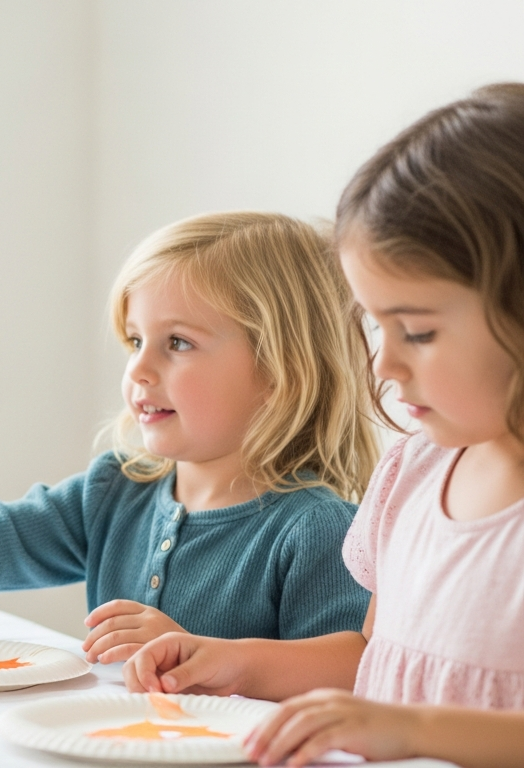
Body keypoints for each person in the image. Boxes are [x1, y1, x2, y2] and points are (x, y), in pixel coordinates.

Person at [0, 211, 379, 664]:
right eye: (135, 340)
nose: (139, 368)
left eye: (178, 342)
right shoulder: (117, 491)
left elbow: (348, 675)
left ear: (279, 371)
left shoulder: (318, 530)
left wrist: (201, 654)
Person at [123, 84, 524, 768]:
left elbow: (405, 721)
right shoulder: (413, 472)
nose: (384, 364)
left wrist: (415, 731)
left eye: (418, 331)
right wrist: (233, 660)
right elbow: (368, 652)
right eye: (377, 326)